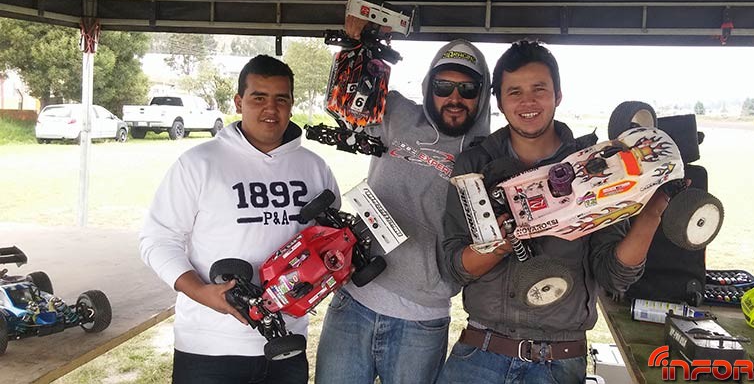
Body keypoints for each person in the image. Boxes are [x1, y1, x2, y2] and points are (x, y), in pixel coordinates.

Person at [438, 40, 671, 384]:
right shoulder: (475, 165)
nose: (527, 102)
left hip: (558, 362)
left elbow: (614, 275)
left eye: (539, 89)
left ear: (558, 95)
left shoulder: (594, 167)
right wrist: (498, 245)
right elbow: (454, 267)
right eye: (514, 92)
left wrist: (651, 214)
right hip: (479, 351)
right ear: (499, 102)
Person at [139, 55, 340, 384]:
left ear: (292, 105)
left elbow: (330, 239)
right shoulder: (198, 163)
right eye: (258, 97)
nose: (270, 109)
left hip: (287, 344)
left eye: (281, 99)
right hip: (209, 348)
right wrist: (200, 291)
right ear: (238, 102)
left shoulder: (315, 168)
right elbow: (157, 240)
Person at [315, 19, 492, 384]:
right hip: (353, 300)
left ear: (483, 94)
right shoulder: (396, 112)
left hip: (421, 322)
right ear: (429, 86)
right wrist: (354, 44)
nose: (454, 98)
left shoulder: (488, 156)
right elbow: (344, 104)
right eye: (443, 86)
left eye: (467, 88)